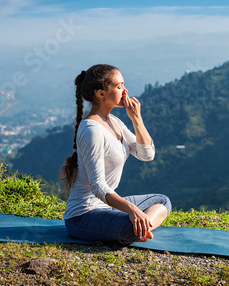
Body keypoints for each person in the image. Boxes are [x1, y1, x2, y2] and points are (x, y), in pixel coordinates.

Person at [60, 64, 171, 245]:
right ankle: (136, 230)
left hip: (106, 208)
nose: (125, 91)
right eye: (119, 86)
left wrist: (136, 119)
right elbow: (98, 186)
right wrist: (131, 209)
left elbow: (146, 154)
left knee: (162, 201)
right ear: (101, 94)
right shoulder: (91, 130)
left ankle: (140, 229)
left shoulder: (115, 122)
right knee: (131, 224)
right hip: (83, 217)